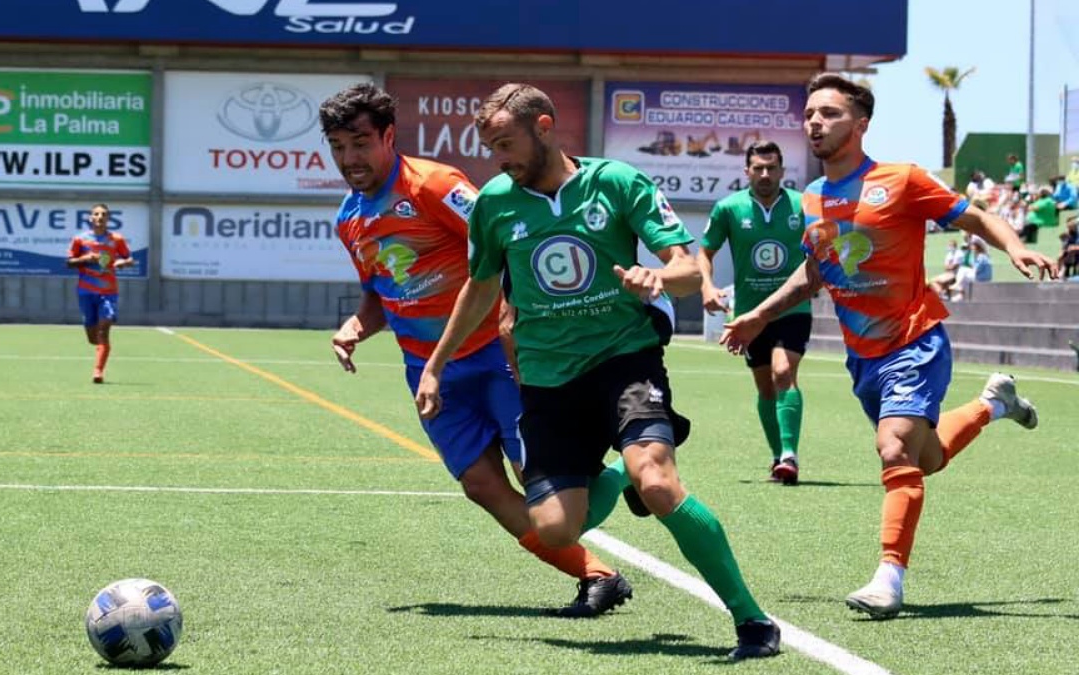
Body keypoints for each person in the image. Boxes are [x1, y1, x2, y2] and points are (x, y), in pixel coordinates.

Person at [415, 83, 780, 660]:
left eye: (505, 143)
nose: (499, 159)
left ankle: (752, 622)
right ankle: (616, 479)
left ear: (543, 126)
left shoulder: (616, 182)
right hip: (547, 382)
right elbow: (481, 286)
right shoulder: (494, 203)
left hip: (623, 360)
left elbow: (686, 267)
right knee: (557, 530)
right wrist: (435, 365)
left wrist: (659, 279)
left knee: (658, 482)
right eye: (491, 148)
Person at [721, 73, 1058, 620]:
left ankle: (888, 577)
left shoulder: (901, 180)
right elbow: (814, 273)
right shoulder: (812, 200)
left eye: (829, 113)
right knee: (925, 458)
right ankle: (995, 403)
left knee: (895, 447)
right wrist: (757, 317)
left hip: (915, 339)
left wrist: (1016, 245)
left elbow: (972, 216)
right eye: (809, 114)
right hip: (865, 358)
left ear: (860, 124)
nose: (815, 122)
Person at [319, 83, 632, 619]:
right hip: (427, 370)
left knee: (537, 479)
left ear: (388, 137)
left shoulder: (435, 185)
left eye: (360, 143)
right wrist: (356, 324)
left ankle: (631, 468)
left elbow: (511, 242)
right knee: (483, 485)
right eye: (338, 146)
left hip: (494, 356)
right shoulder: (350, 218)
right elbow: (382, 292)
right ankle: (596, 575)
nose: (350, 158)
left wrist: (517, 315)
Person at [697, 140, 809, 484]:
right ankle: (778, 456)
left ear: (782, 171)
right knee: (764, 387)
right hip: (748, 315)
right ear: (746, 171)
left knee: (782, 372)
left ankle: (790, 454)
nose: (764, 174)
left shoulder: (802, 205)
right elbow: (705, 251)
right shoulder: (728, 208)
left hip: (793, 308)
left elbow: (823, 246)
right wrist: (706, 286)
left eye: (771, 168)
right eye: (758, 168)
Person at [66, 203, 134, 384]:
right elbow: (69, 263)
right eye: (96, 214)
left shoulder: (116, 239)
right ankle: (100, 347)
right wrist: (86, 259)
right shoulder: (80, 239)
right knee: (92, 337)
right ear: (91, 218)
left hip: (108, 292)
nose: (100, 217)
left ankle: (98, 371)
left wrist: (123, 263)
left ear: (108, 219)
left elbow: (129, 258)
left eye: (103, 214)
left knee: (103, 332)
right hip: (86, 292)